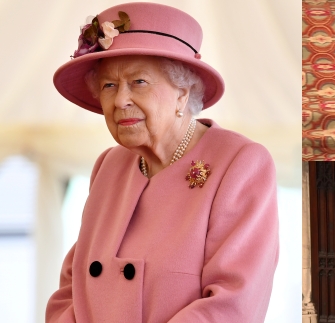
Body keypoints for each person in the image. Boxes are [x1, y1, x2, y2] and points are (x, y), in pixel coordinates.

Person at [46, 3, 279, 322]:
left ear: (183, 92)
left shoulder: (239, 164)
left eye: (138, 82)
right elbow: (71, 289)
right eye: (108, 85)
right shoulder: (108, 166)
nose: (120, 100)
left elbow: (232, 305)